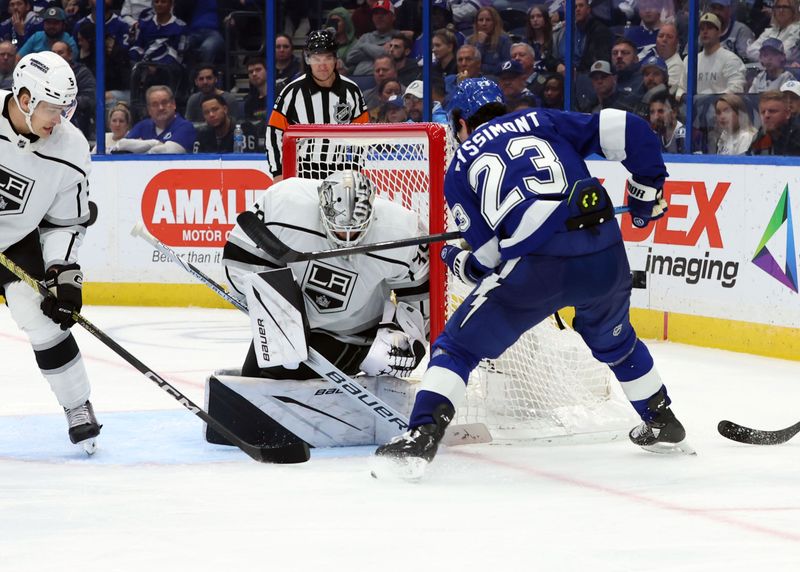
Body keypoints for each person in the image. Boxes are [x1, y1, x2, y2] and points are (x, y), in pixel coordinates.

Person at [374, 78, 691, 476]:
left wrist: (455, 258)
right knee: (616, 338)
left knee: (457, 347)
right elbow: (629, 128)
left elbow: (488, 260)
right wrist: (644, 195)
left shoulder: (457, 170)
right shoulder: (541, 119)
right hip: (604, 251)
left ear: (459, 122)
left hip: (539, 264)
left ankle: (420, 435)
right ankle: (662, 419)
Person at [211, 170, 429, 446]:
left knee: (281, 381)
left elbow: (420, 293)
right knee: (257, 384)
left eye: (356, 230)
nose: (347, 238)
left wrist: (411, 338)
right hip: (292, 325)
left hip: (355, 336)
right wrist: (274, 308)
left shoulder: (403, 230)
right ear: (321, 208)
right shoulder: (283, 204)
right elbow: (240, 259)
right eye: (339, 228)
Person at [0, 51, 101, 453]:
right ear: (24, 99)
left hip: (17, 239)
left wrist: (63, 273)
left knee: (41, 316)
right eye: (51, 109)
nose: (58, 119)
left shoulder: (71, 148)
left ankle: (78, 406)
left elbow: (65, 223)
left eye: (66, 109)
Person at [266, 29, 368, 182]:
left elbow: (362, 136)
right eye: (316, 58)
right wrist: (278, 173)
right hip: (301, 170)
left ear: (335, 59)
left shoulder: (351, 91)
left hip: (340, 171)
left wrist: (355, 169)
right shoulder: (292, 92)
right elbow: (274, 133)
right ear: (308, 60)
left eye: (327, 58)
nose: (322, 65)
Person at [110, 84, 195, 153]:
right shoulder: (143, 125)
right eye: (155, 104)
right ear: (149, 110)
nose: (161, 108)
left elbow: (168, 151)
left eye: (164, 103)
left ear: (173, 104)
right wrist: (155, 143)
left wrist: (139, 147)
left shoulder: (185, 126)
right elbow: (122, 144)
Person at [193, 93, 261, 153]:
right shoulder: (202, 134)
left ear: (225, 109)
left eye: (215, 109)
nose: (211, 115)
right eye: (206, 112)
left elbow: (247, 161)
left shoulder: (244, 130)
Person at [748, 89, 800, 154]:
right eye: (763, 112)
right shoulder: (760, 135)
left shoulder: (797, 134)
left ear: (787, 114)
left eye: (772, 111)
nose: (766, 116)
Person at [243, 54, 267, 121]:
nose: (254, 74)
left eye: (258, 70)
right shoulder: (249, 102)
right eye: (250, 72)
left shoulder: (280, 94)